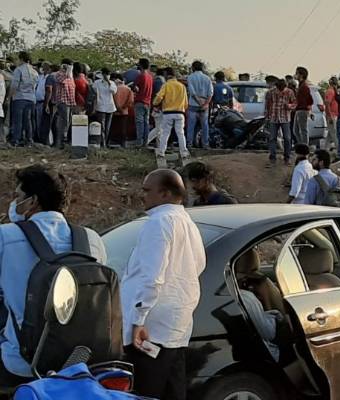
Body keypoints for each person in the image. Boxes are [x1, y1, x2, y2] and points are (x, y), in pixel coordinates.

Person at [0, 165, 106, 385]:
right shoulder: (91, 239)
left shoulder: (6, 236)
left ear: (33, 201)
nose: (14, 203)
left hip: (23, 363)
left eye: (18, 196)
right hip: (80, 362)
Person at [121, 169, 205, 400]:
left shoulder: (158, 223)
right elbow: (197, 267)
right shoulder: (188, 223)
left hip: (151, 328)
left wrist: (138, 319)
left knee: (147, 392)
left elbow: (152, 278)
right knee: (172, 391)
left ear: (165, 194)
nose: (143, 195)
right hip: (175, 326)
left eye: (148, 191)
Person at [153, 67, 190, 160]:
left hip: (168, 113)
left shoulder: (166, 85)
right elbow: (186, 103)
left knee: (165, 133)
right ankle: (184, 153)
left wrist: (155, 103)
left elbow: (159, 97)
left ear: (167, 74)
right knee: (180, 133)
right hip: (180, 113)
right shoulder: (182, 86)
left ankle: (161, 152)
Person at [265, 79, 296, 167]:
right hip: (274, 117)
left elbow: (294, 103)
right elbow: (268, 104)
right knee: (272, 138)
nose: (281, 90)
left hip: (285, 118)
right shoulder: (271, 92)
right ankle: (272, 158)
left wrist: (289, 106)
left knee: (287, 138)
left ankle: (287, 157)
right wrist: (267, 115)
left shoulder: (289, 92)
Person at [9, 51, 38, 146]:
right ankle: (29, 140)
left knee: (18, 120)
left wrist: (9, 97)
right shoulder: (34, 71)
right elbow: (35, 86)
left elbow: (14, 85)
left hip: (20, 97)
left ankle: (16, 140)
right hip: (31, 98)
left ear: (21, 59)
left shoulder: (19, 70)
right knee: (28, 120)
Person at [187, 61, 213, 148]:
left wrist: (198, 102)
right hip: (205, 103)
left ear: (193, 68)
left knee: (191, 125)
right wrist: (205, 104)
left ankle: (189, 143)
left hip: (193, 104)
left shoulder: (190, 77)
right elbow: (210, 93)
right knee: (205, 125)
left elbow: (192, 92)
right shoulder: (207, 78)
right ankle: (205, 144)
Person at [52, 59, 76, 149]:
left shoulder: (70, 75)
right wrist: (67, 70)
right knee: (63, 122)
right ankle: (59, 142)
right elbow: (62, 80)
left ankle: (63, 141)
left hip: (70, 102)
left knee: (68, 122)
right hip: (62, 101)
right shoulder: (59, 74)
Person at [92, 68, 117, 147]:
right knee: (101, 126)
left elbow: (114, 91)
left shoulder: (112, 83)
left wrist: (108, 82)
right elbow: (95, 91)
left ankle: (105, 142)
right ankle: (102, 143)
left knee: (107, 127)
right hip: (101, 106)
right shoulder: (97, 83)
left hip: (110, 106)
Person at [133, 58, 154, 147]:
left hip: (140, 101)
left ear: (141, 65)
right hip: (148, 102)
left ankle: (139, 142)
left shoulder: (141, 76)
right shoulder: (150, 77)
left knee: (139, 122)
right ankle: (146, 142)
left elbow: (136, 88)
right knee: (146, 122)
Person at [111, 73, 134, 147]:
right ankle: (123, 143)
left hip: (115, 111)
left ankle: (113, 141)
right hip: (124, 111)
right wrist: (123, 108)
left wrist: (118, 108)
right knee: (123, 128)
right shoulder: (127, 88)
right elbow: (130, 101)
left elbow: (112, 100)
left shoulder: (114, 88)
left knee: (114, 127)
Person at [293, 66, 313, 145]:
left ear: (301, 75)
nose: (295, 75)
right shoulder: (301, 85)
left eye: (297, 73)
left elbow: (309, 99)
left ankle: (305, 147)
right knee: (296, 130)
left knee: (303, 130)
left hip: (302, 110)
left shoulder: (304, 86)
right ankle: (301, 145)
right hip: (299, 109)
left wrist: (307, 108)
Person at [34, 62, 51, 144]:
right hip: (36, 101)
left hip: (43, 102)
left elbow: (49, 91)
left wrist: (46, 103)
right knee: (37, 121)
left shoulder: (49, 77)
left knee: (42, 122)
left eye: (44, 67)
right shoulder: (40, 77)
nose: (42, 68)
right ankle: (38, 137)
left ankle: (43, 140)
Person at [324, 77, 339, 151]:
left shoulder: (333, 91)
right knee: (334, 133)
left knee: (330, 133)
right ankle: (339, 149)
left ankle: (325, 148)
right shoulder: (330, 91)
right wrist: (330, 116)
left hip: (334, 114)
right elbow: (327, 104)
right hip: (331, 115)